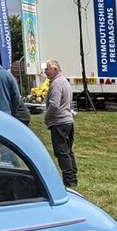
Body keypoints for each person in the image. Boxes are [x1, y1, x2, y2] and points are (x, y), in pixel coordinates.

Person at [43, 59, 77, 188]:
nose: (45, 71)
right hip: (68, 120)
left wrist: (47, 117)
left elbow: (54, 104)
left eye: (47, 68)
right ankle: (73, 177)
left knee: (62, 152)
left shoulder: (56, 84)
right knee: (68, 150)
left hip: (59, 122)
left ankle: (69, 181)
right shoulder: (65, 81)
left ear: (55, 69)